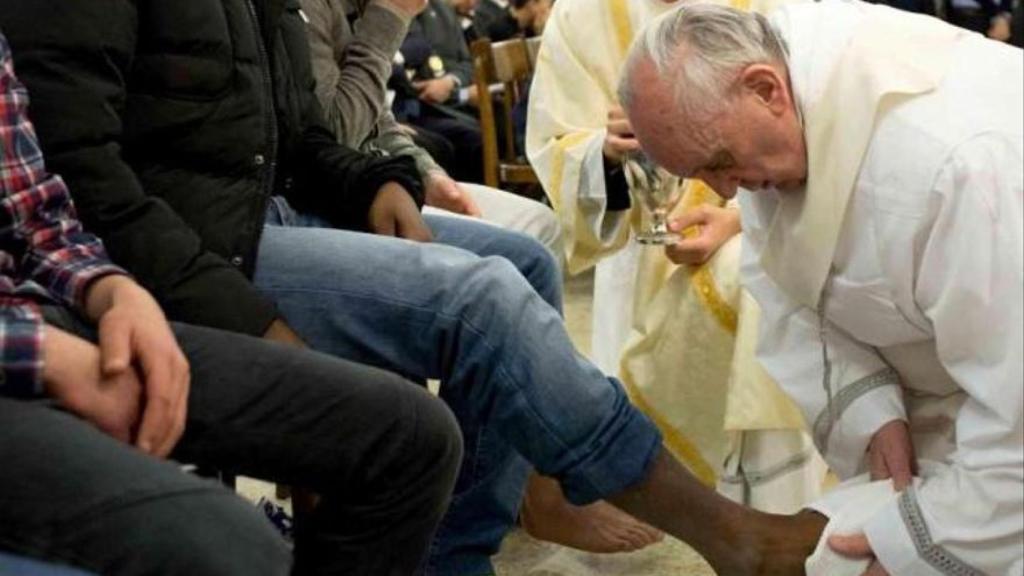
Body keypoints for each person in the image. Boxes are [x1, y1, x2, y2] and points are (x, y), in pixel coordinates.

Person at [0, 31, 462, 575]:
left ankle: (477, 544)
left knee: (416, 432)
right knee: (238, 549)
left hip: (88, 290)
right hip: (204, 243)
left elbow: (38, 216)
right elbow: (110, 173)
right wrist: (40, 351)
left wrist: (112, 290)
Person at [620, 2, 1023, 574]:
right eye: (703, 177)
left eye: (721, 164)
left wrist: (925, 542)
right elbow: (792, 277)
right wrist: (874, 410)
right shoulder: (782, 79)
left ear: (765, 90)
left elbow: (1018, 407)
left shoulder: (956, 168)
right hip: (956, 407)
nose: (727, 195)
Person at [299, 0, 576, 567]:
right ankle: (463, 539)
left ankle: (504, 491)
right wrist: (388, 19)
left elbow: (376, 123)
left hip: (370, 182)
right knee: (510, 271)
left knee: (535, 241)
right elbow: (328, 135)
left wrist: (426, 173)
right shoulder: (314, 9)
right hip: (320, 200)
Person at [527, 0, 825, 524]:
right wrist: (606, 151)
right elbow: (555, 144)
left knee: (752, 286)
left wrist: (740, 217)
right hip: (642, 240)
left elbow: (812, 119)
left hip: (769, 218)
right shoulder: (582, 15)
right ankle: (709, 500)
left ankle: (772, 503)